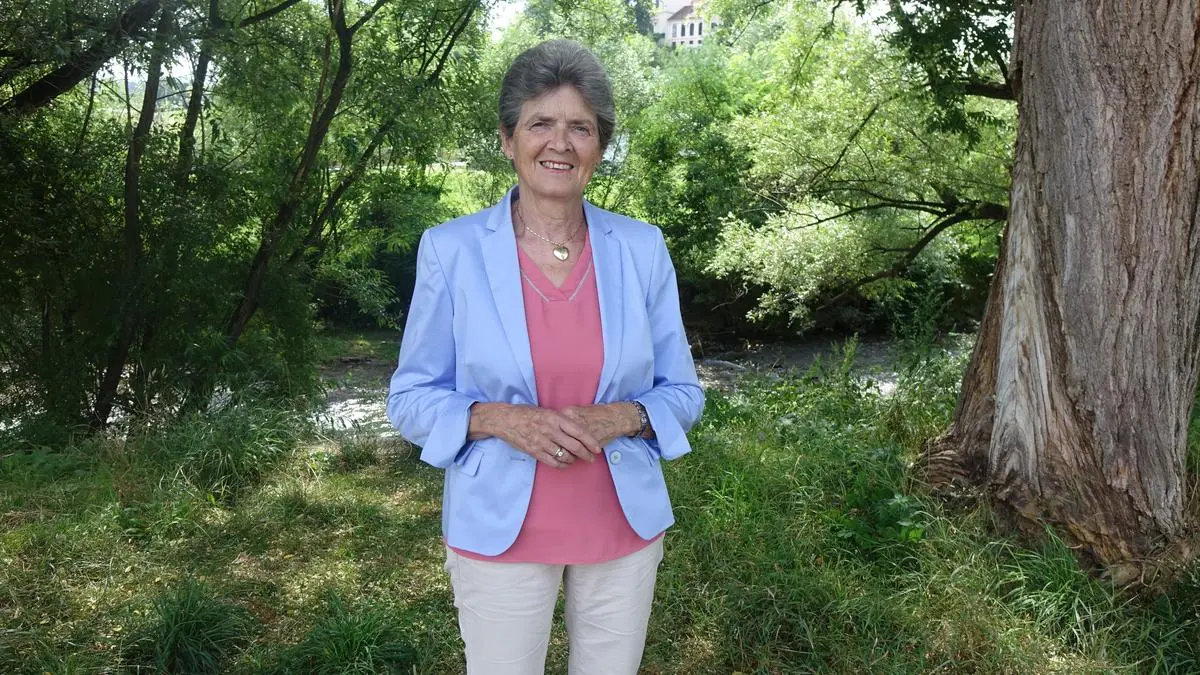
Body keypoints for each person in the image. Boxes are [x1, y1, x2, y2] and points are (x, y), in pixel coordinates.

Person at [387, 38, 704, 675]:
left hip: (622, 527)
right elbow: (411, 397)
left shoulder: (642, 248)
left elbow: (683, 392)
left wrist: (622, 417)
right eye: (540, 124)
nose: (560, 143)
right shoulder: (451, 250)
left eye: (580, 127)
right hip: (497, 527)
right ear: (508, 140)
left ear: (600, 147)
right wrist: (503, 420)